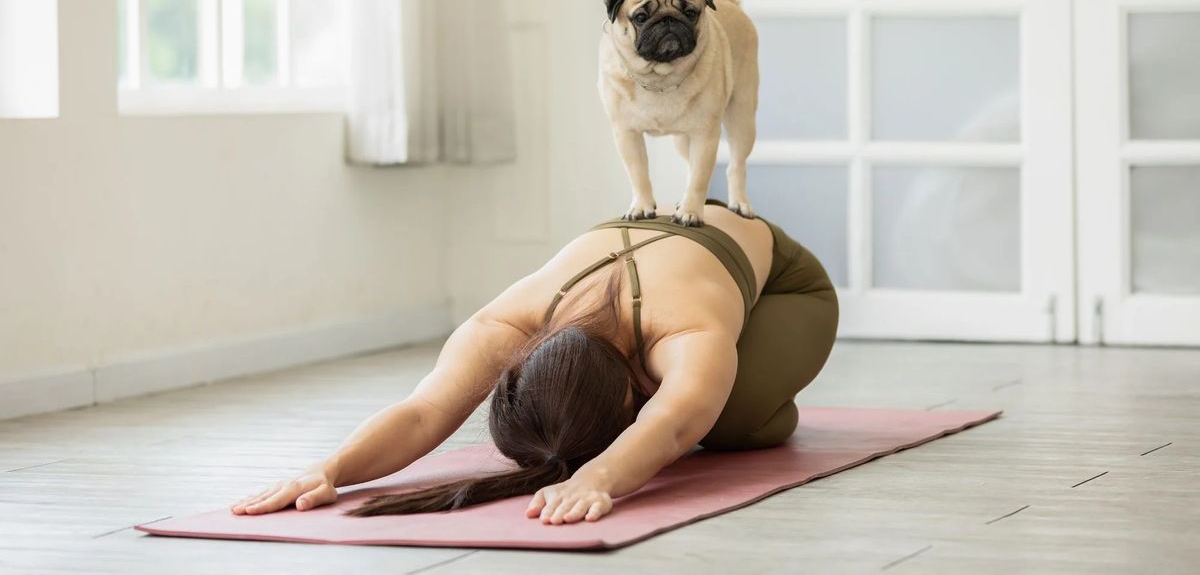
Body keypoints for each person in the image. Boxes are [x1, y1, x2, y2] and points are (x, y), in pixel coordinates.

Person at [230, 200, 838, 525]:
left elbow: (676, 423)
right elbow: (423, 411)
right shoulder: (508, 325)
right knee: (703, 393)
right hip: (676, 247)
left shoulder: (683, 328)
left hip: (785, 284)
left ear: (632, 398)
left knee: (728, 422)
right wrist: (331, 469)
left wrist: (597, 475)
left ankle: (763, 402)